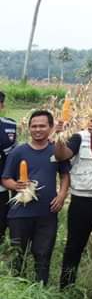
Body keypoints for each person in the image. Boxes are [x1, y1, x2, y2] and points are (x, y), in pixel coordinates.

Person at [52, 102, 92, 299]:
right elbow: (62, 155)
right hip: (82, 200)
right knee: (74, 246)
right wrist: (58, 136)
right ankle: (66, 288)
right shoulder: (80, 137)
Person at [0, 110, 70, 285]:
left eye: (42, 126)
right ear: (29, 128)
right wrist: (16, 186)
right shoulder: (18, 151)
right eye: (34, 126)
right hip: (19, 214)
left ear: (51, 127)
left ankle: (40, 289)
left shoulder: (56, 150)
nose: (37, 129)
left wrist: (61, 196)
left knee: (43, 255)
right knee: (17, 254)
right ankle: (16, 288)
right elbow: (5, 178)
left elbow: (64, 176)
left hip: (47, 213)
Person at [0, 90, 17, 243]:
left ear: (2, 105)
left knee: (2, 225)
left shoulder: (10, 126)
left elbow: (14, 154)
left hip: (3, 187)